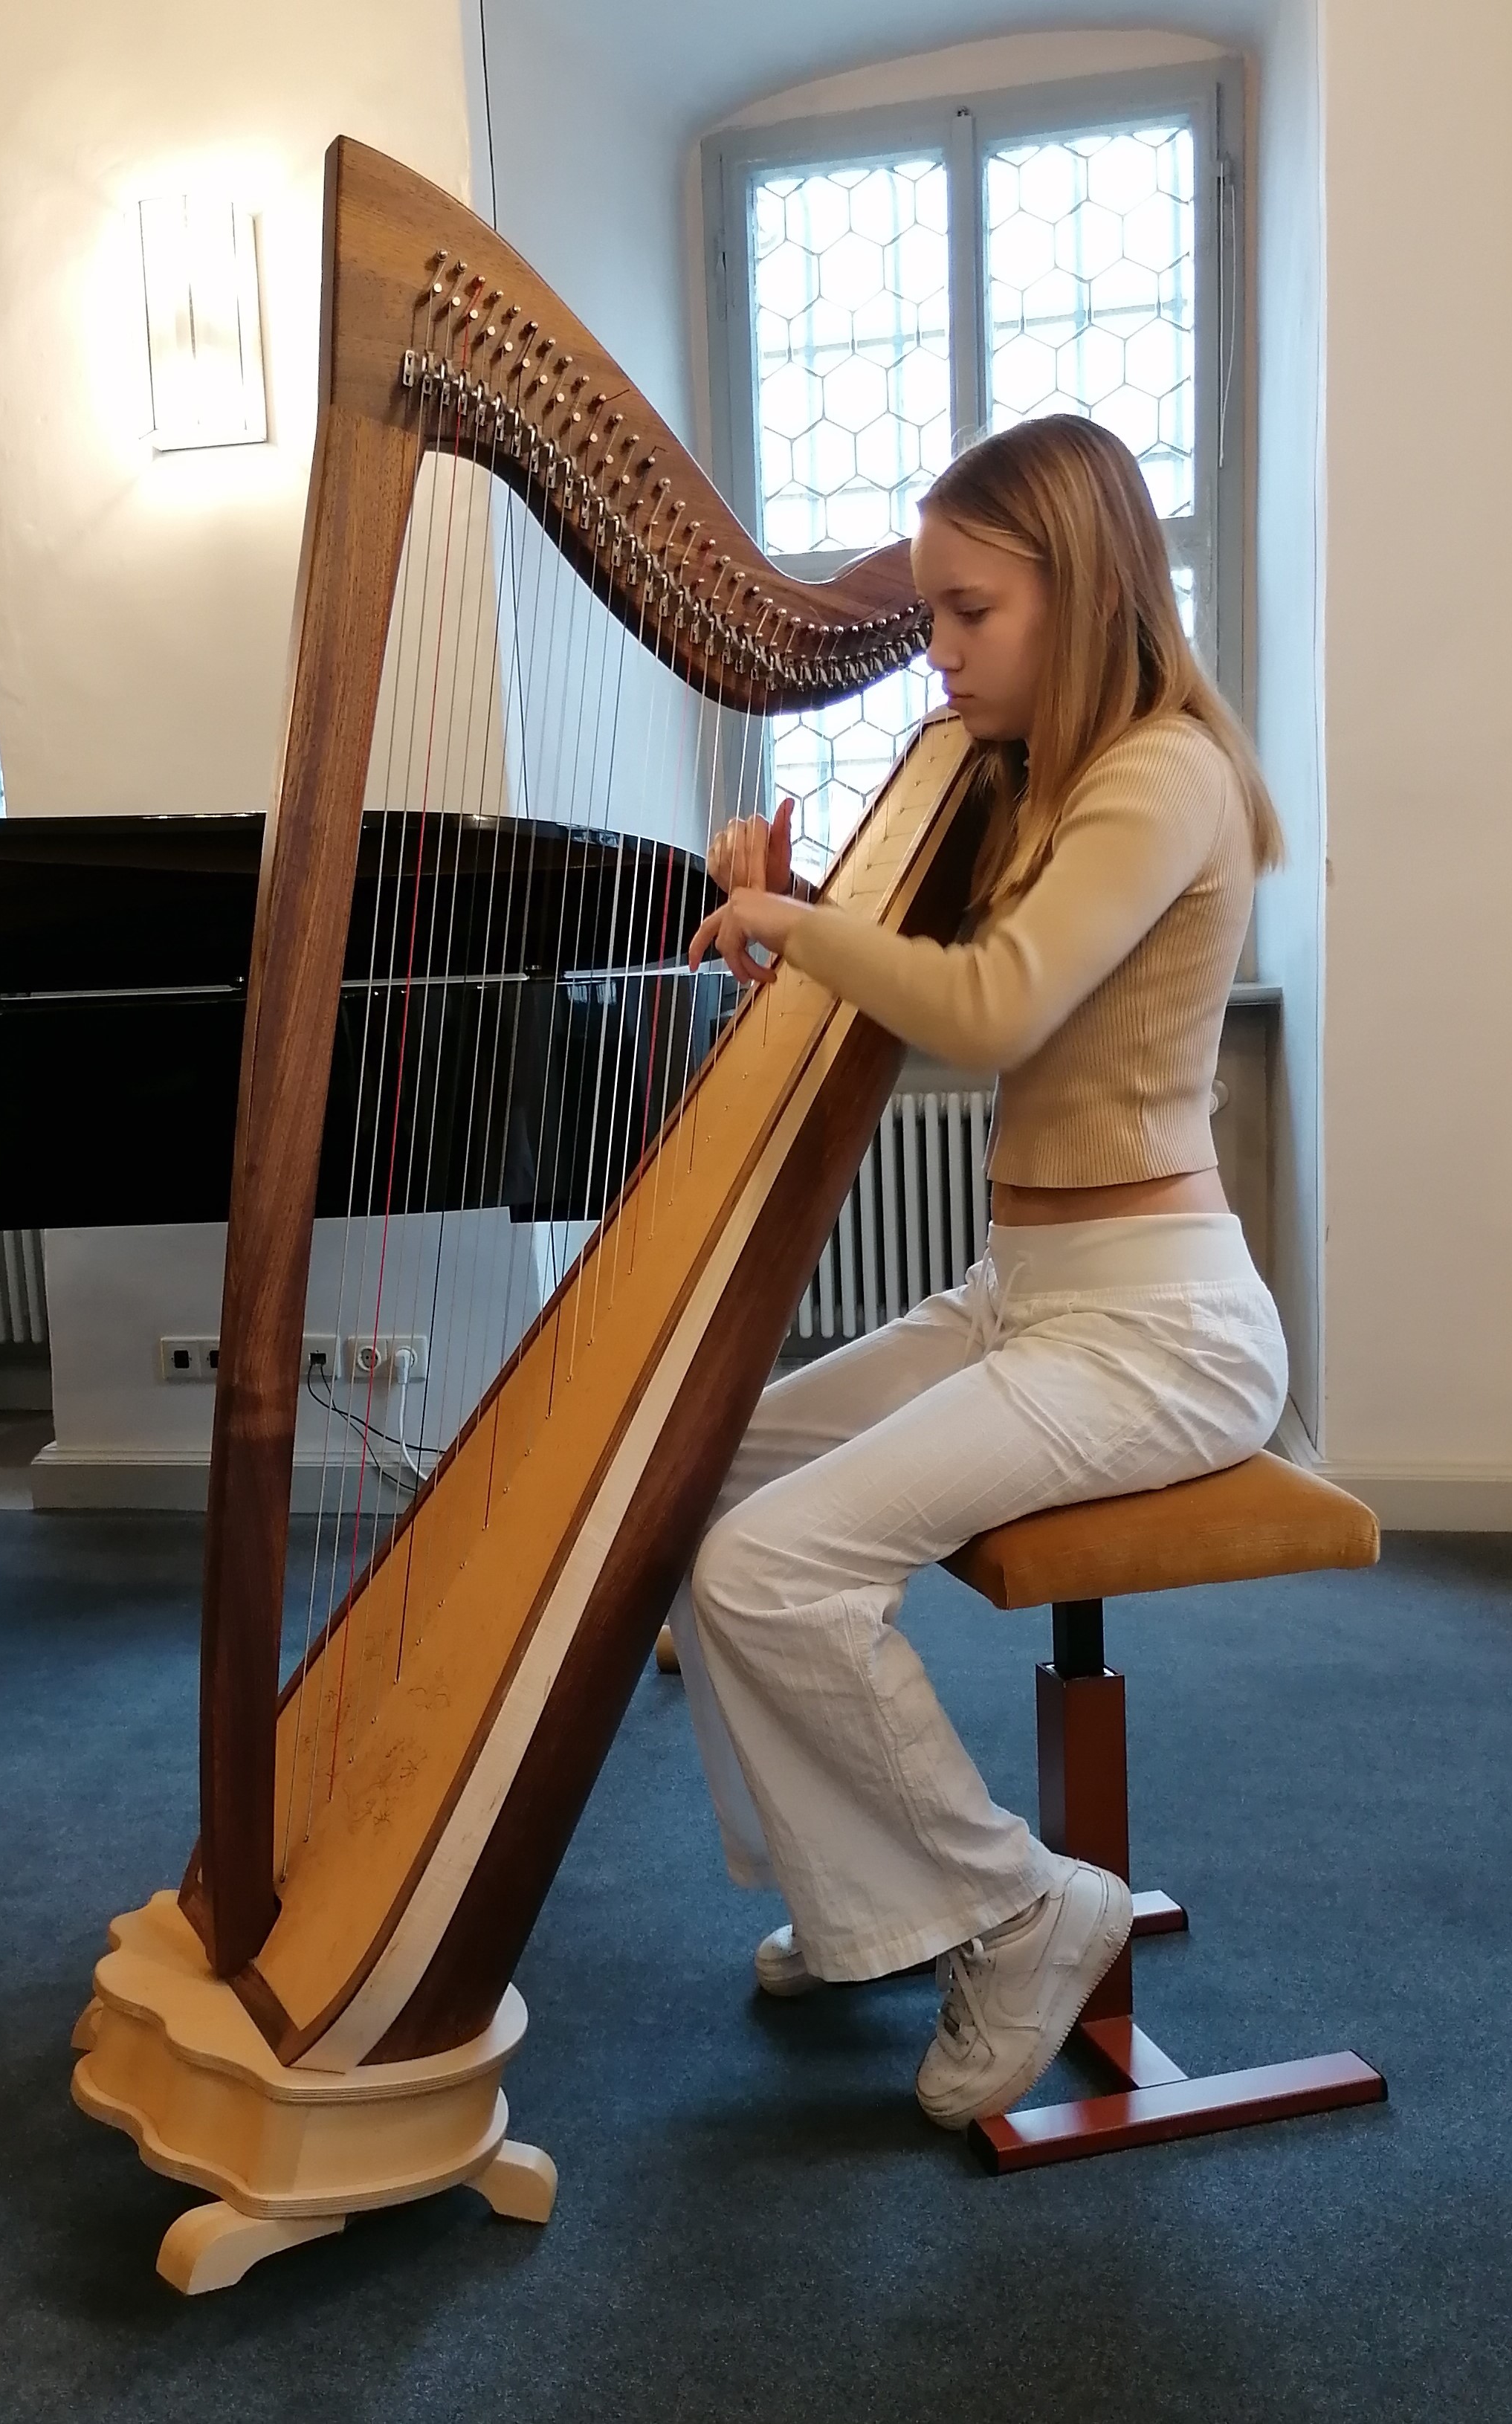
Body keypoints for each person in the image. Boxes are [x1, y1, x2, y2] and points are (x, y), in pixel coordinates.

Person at [676, 413, 1288, 2130]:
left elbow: (994, 1002)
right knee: (698, 1467)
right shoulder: (1026, 776)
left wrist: (799, 931)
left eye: (967, 612)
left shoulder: (1159, 774)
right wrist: (804, 904)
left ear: (1078, 590)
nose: (934, 650)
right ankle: (878, 1892)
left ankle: (1015, 1911)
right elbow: (937, 962)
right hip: (1025, 1288)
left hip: (1154, 1328)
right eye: (928, 613)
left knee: (764, 1572)